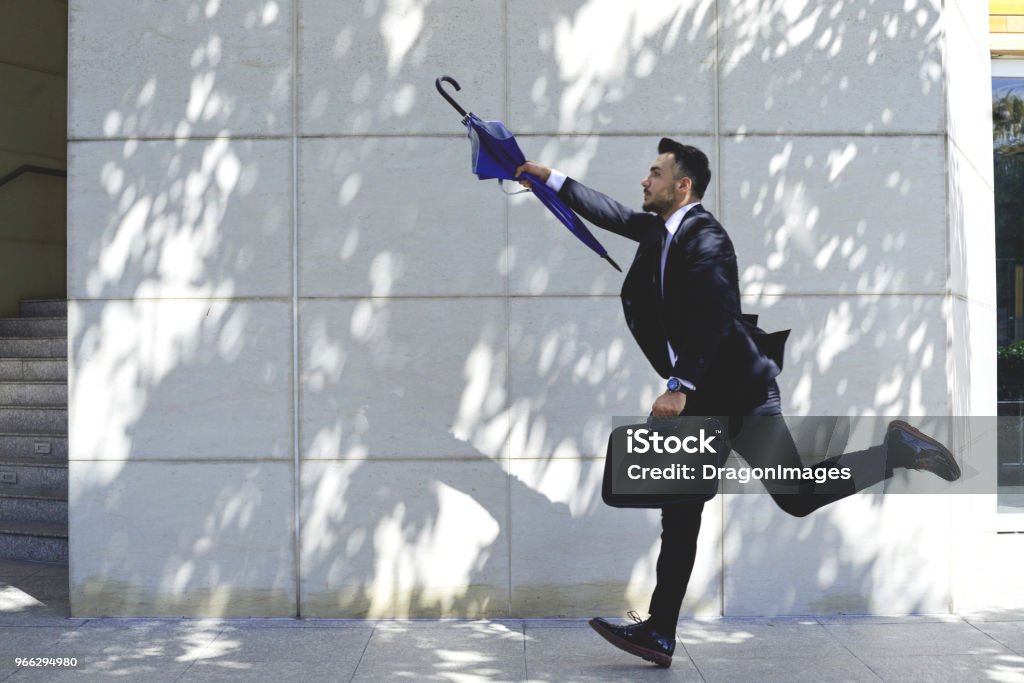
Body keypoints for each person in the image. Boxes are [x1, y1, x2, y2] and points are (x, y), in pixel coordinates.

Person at [514, 139, 961, 669]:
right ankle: (659, 631)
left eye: (655, 174)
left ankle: (897, 451)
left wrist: (679, 384)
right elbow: (611, 214)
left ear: (683, 186)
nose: (645, 181)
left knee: (792, 496)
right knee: (680, 513)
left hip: (738, 392)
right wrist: (551, 178)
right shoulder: (661, 229)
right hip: (708, 393)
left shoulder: (706, 238)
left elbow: (717, 317)